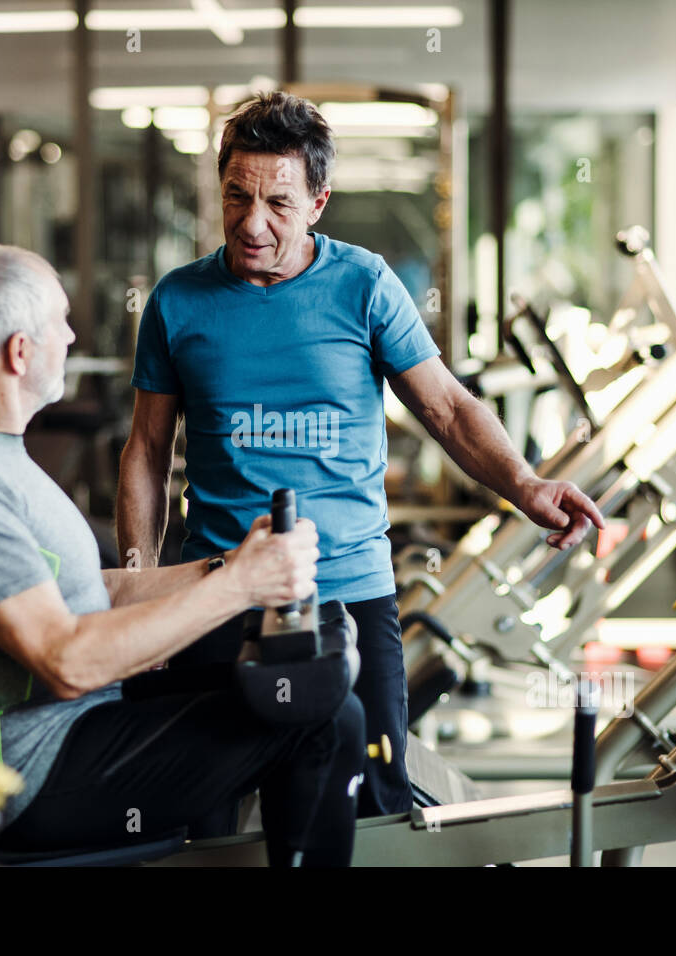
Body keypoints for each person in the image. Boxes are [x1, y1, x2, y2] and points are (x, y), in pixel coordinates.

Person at [119, 91, 605, 820]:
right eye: (236, 197)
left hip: (346, 592)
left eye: (279, 203)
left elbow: (448, 407)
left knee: (369, 809)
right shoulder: (177, 301)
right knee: (199, 816)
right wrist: (142, 592)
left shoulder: (365, 284)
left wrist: (525, 484)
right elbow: (147, 451)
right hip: (215, 592)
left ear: (319, 201)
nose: (253, 223)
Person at [0, 244, 366, 866]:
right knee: (322, 720)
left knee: (287, 693)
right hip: (38, 771)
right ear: (19, 352)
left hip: (78, 732)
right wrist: (241, 587)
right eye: (60, 321)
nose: (73, 335)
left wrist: (228, 565)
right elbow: (65, 662)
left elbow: (93, 593)